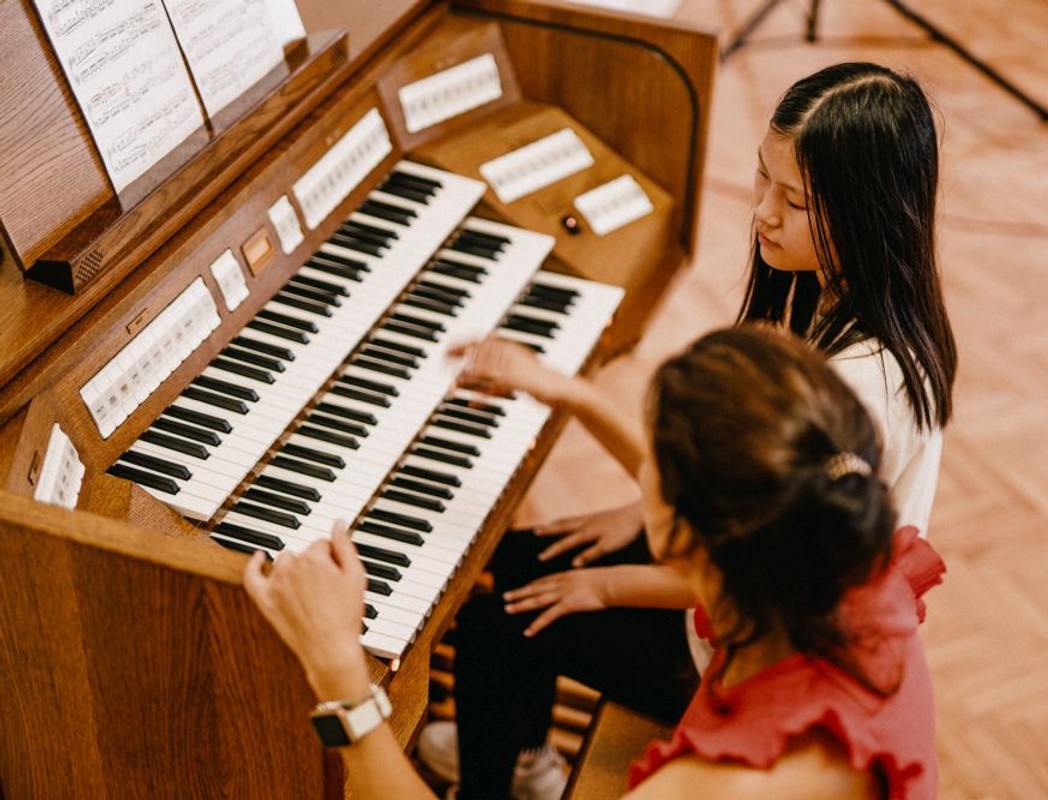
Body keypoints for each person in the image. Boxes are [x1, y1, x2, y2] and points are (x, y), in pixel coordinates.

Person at [417, 60, 957, 800]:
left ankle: (504, 780)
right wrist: (637, 514)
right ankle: (529, 751)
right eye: (764, 179)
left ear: (867, 213)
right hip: (766, 584)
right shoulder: (855, 310)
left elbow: (749, 567)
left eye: (793, 200)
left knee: (499, 610)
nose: (763, 212)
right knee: (520, 561)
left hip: (747, 640)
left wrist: (609, 586)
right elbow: (748, 491)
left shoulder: (859, 387)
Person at [243, 326, 947, 799]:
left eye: (658, 478)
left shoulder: (720, 787)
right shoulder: (848, 558)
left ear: (676, 530)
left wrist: (338, 672)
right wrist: (569, 391)